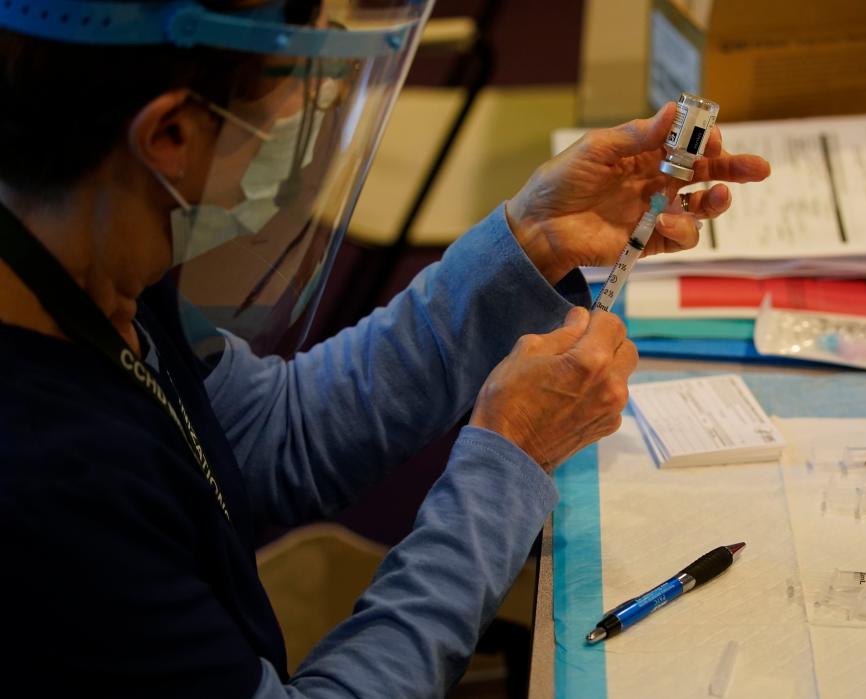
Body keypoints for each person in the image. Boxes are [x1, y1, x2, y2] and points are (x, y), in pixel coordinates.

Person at [0, 1, 770, 697]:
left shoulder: (85, 255)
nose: (307, 111)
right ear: (167, 134)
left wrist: (531, 242)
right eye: (295, 88)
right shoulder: (51, 488)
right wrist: (508, 458)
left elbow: (271, 438)